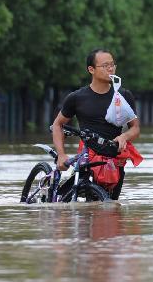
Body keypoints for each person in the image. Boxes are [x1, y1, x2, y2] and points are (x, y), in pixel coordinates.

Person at [51, 48, 141, 200]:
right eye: (105, 66)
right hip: (88, 155)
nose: (111, 69)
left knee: (112, 208)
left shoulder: (123, 96)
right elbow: (58, 125)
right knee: (81, 204)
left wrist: (124, 137)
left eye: (112, 65)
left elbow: (135, 128)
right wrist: (61, 154)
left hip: (115, 157)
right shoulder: (76, 98)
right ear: (91, 69)